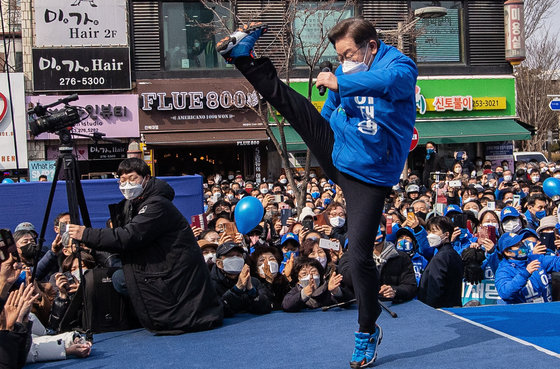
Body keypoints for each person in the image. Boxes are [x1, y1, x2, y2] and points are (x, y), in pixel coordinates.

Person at [217, 17, 417, 367]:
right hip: (340, 149)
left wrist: (341, 79)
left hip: (368, 176)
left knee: (358, 258)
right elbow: (329, 111)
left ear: (371, 45)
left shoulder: (398, 66)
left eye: (349, 53)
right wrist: (325, 110)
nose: (344, 61)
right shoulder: (349, 71)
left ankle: (367, 330)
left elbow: (386, 82)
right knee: (296, 109)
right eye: (339, 57)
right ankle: (244, 58)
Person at [67, 158, 223, 334]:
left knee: (120, 279)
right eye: (122, 180)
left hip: (175, 276)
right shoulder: (134, 204)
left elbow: (129, 236)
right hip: (159, 267)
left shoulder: (157, 204)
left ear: (146, 178)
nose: (127, 184)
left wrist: (85, 234)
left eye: (132, 178)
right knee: (116, 276)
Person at [210, 242, 272, 317]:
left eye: (239, 256)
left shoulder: (253, 281)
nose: (235, 259)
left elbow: (266, 307)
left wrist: (251, 291)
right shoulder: (209, 284)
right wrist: (236, 290)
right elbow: (215, 311)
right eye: (230, 256)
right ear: (219, 263)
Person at [495, 233, 560, 304]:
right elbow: (505, 293)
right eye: (517, 245)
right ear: (507, 252)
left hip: (547, 309)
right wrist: (525, 273)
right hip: (524, 312)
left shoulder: (535, 258)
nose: (522, 246)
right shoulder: (504, 270)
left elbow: (556, 262)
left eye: (521, 243)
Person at [417, 216, 463, 308]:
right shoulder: (453, 254)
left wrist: (429, 309)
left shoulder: (441, 257)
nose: (430, 235)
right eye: (429, 231)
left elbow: (435, 289)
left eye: (434, 231)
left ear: (446, 234)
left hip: (439, 310)